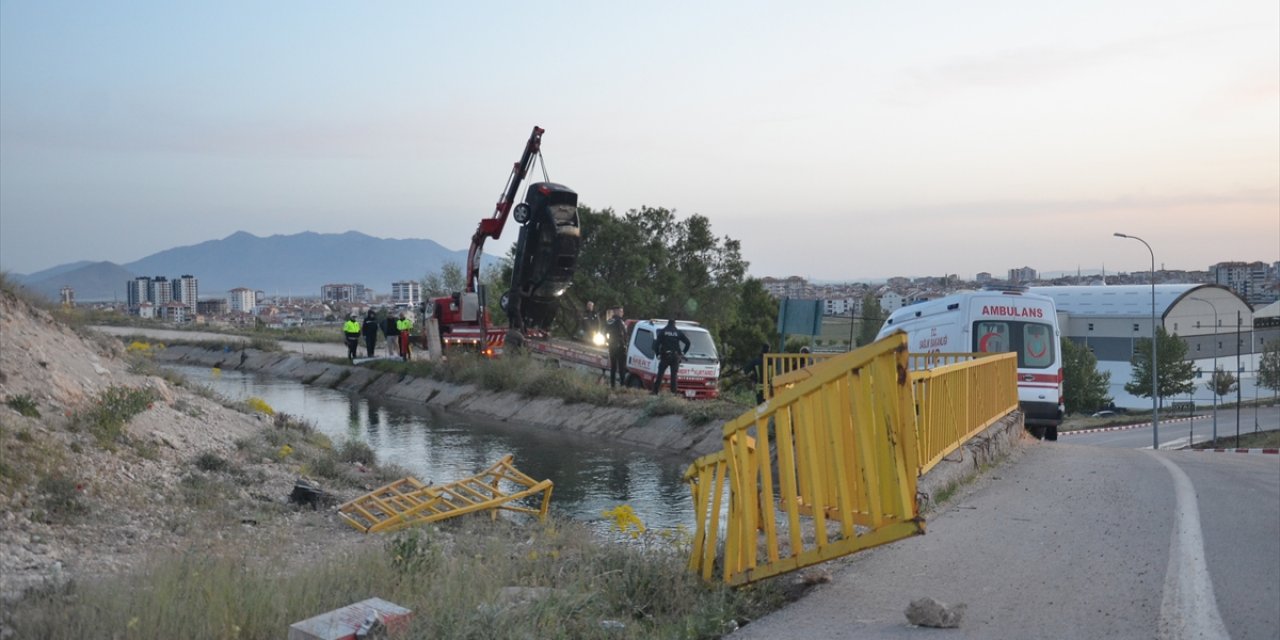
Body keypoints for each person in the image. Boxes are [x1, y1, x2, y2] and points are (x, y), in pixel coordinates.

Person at [651, 317, 691, 395]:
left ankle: (655, 391)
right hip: (676, 356)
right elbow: (688, 343)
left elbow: (656, 344)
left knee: (660, 374)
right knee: (674, 375)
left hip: (666, 356)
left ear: (668, 323)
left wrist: (658, 354)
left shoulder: (663, 331)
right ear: (674, 324)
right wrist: (683, 352)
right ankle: (673, 393)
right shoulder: (678, 332)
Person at [606, 309, 628, 388]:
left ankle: (612, 385)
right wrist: (624, 345)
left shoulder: (610, 321)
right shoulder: (619, 321)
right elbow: (622, 334)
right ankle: (622, 385)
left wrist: (608, 342)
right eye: (621, 311)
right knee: (622, 367)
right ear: (616, 312)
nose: (622, 313)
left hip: (612, 346)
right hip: (620, 347)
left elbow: (605, 332)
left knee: (613, 367)